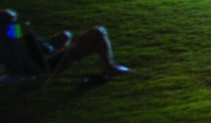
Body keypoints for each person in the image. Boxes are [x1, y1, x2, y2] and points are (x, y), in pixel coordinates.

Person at [0, 8, 128, 79]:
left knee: (65, 35)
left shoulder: (10, 38)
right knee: (98, 32)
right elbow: (10, 15)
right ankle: (109, 67)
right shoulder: (15, 32)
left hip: (31, 61)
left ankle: (63, 45)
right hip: (50, 61)